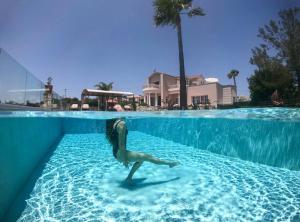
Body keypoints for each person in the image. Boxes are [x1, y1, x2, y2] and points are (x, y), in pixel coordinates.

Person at [106, 118, 179, 185]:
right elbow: (121, 144)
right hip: (121, 153)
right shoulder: (121, 123)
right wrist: (124, 159)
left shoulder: (114, 123)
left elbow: (117, 141)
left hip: (116, 152)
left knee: (141, 158)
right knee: (148, 157)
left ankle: (129, 178)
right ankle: (170, 163)